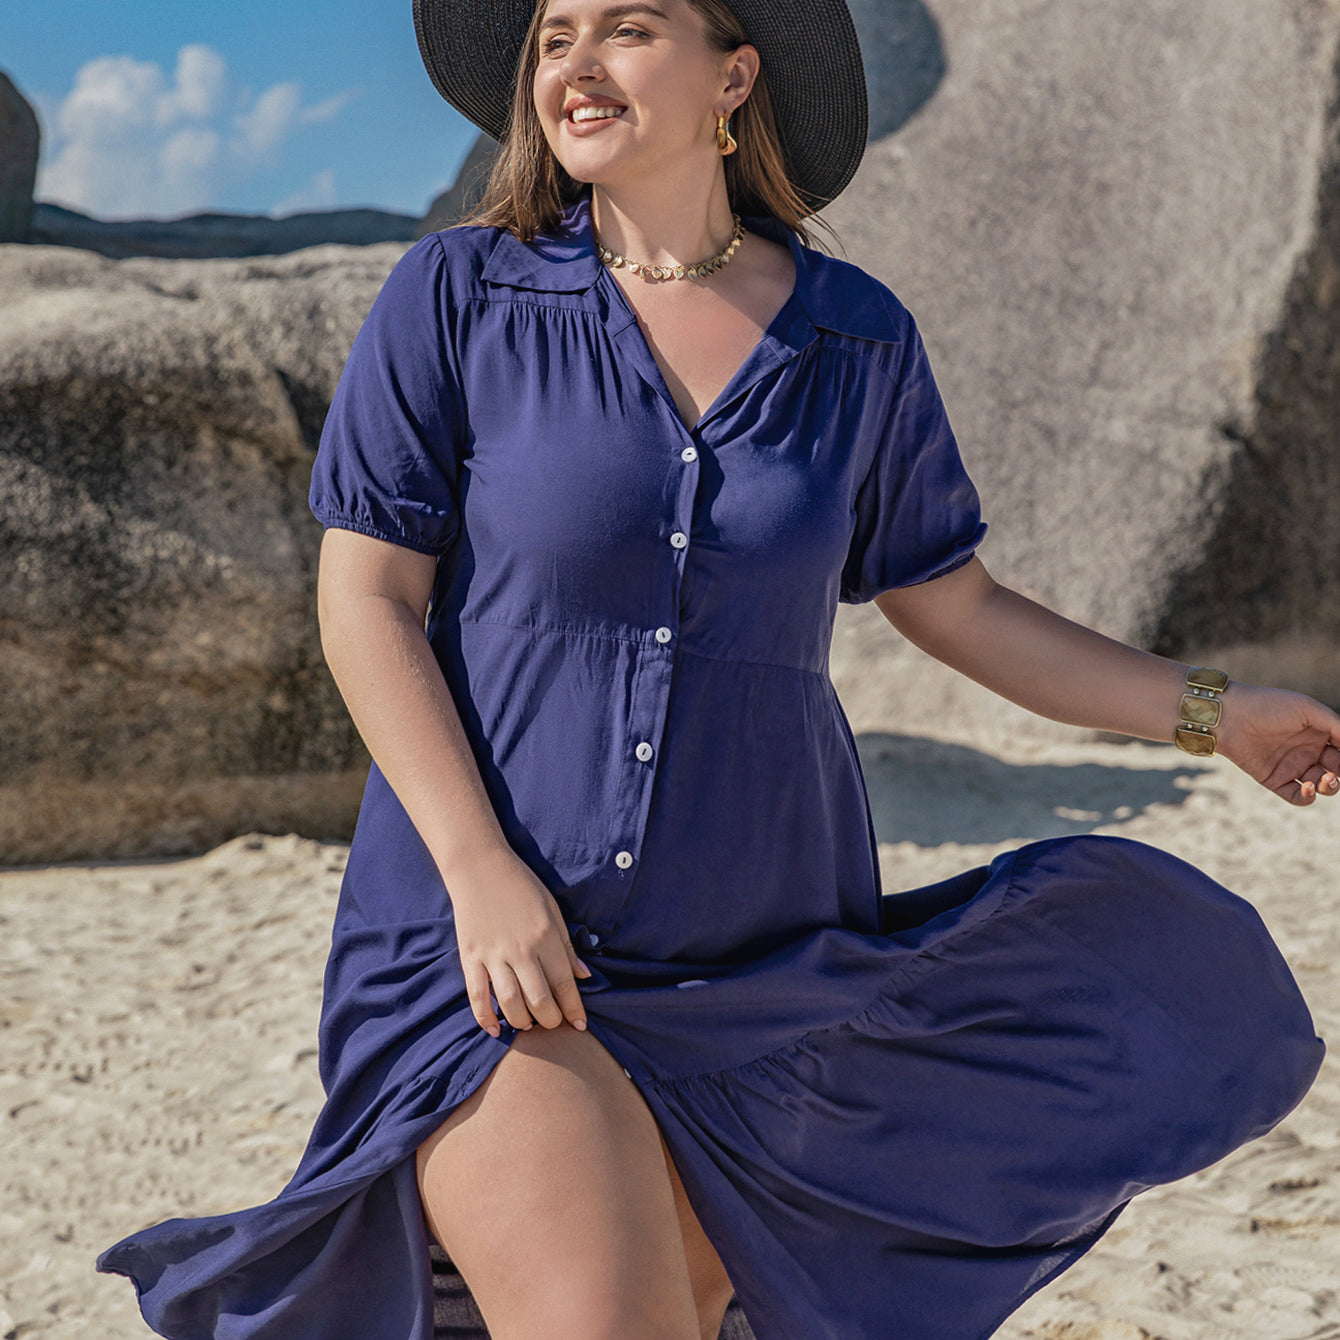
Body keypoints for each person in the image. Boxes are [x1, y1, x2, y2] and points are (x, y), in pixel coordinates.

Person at [96, 0, 1335, 1336]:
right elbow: (368, 601)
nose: (573, 59)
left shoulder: (856, 342)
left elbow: (961, 608)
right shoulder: (458, 296)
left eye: (624, 26)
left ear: (731, 75)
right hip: (499, 957)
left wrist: (1219, 713)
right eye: (555, 32)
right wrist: (479, 873)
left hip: (767, 970)